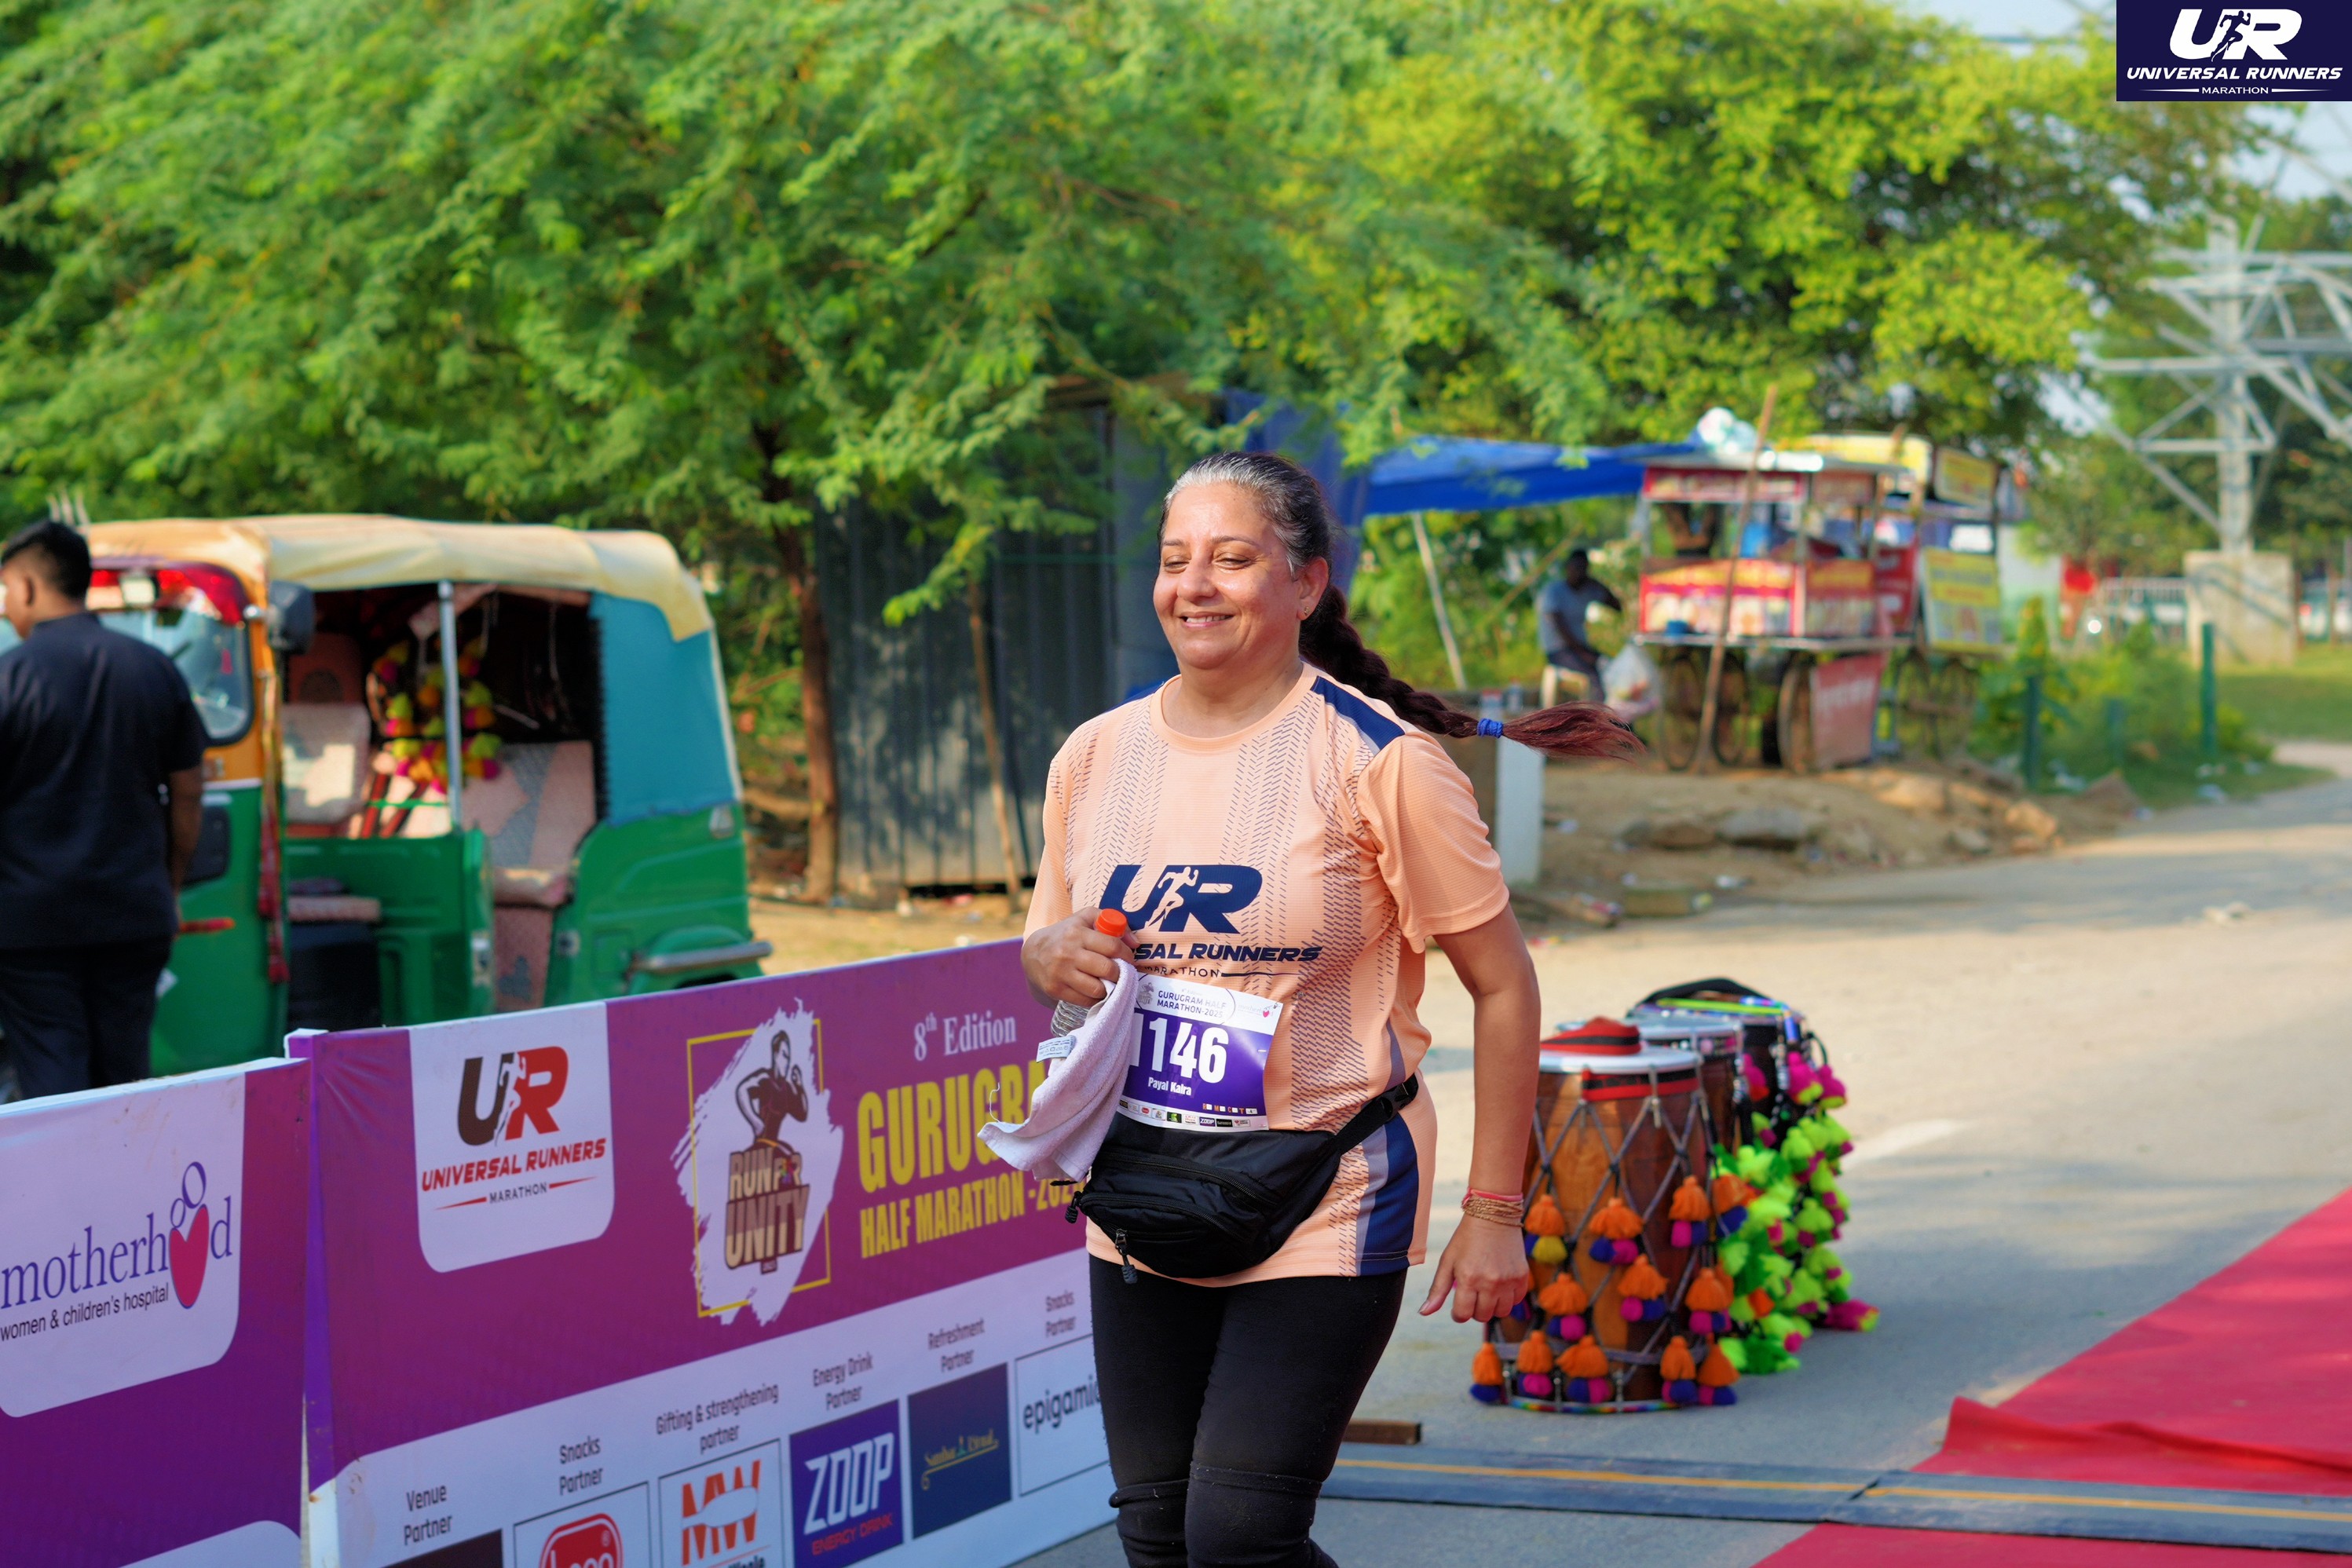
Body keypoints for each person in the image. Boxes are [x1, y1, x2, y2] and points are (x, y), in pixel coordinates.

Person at [1021, 451, 1637, 1568]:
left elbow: (1503, 983)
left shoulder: (1380, 763)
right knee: (1157, 1537)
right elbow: (1046, 945)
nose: (1193, 585)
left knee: (1238, 1537)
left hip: (1325, 1186)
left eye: (1230, 558)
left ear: (1305, 583)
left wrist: (1493, 1208)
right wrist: (1046, 954)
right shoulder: (1094, 757)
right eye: (1174, 559)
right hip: (1144, 1186)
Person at [0, 521, 208, 1098]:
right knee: (125, 1075)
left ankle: (69, 1159)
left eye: (5, 591)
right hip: (134, 911)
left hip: (30, 923)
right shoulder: (154, 668)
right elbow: (189, 792)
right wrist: (169, 883)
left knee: (53, 1074)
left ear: (27, 587)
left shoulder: (8, 678)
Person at [1536, 547, 1622, 706]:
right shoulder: (1554, 592)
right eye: (1576, 567)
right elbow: (1561, 629)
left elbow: (1617, 606)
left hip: (1581, 648)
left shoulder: (1588, 590)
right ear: (1568, 567)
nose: (1579, 572)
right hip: (1559, 651)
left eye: (1583, 569)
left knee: (1611, 666)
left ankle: (1617, 713)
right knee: (1593, 674)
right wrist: (1584, 654)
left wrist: (1598, 583)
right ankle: (1597, 717)